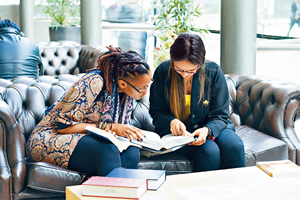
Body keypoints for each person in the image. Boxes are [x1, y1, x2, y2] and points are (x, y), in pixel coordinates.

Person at [26, 46, 152, 176]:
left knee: (132, 152)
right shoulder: (95, 82)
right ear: (123, 83)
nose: (145, 91)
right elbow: (63, 127)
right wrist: (111, 127)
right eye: (141, 88)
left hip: (86, 138)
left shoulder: (126, 95)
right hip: (49, 137)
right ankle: (109, 194)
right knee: (108, 150)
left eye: (147, 85)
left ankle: (110, 191)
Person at [149, 33, 246, 172]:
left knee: (234, 146)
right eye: (179, 69)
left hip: (213, 125)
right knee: (209, 151)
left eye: (191, 70)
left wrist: (207, 130)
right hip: (180, 134)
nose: (185, 74)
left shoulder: (213, 71)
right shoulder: (163, 72)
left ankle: (238, 191)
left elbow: (220, 115)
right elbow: (157, 112)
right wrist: (171, 121)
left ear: (200, 64)